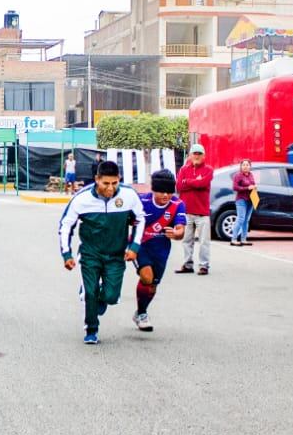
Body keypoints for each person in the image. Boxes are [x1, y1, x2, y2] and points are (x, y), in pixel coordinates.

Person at [58, 160, 145, 344]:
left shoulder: (129, 196)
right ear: (97, 179)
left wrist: (134, 247)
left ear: (119, 179)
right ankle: (91, 329)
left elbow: (140, 219)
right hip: (90, 254)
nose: (111, 188)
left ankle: (102, 298)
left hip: (115, 255)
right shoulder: (81, 199)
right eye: (106, 183)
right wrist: (67, 254)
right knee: (90, 293)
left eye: (114, 183)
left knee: (111, 297)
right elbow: (66, 225)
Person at [132, 169, 185, 332]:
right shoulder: (141, 201)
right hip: (141, 246)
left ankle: (141, 312)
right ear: (153, 189)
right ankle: (142, 315)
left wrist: (176, 234)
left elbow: (180, 230)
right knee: (147, 277)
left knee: (152, 286)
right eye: (161, 191)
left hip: (161, 250)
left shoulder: (177, 204)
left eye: (169, 192)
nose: (166, 195)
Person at [175, 143, 214, 275]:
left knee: (204, 242)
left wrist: (188, 181)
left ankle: (204, 266)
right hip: (186, 211)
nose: (196, 156)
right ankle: (187, 265)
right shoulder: (183, 169)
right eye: (194, 153)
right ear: (190, 155)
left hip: (202, 212)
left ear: (204, 156)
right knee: (186, 240)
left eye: (199, 154)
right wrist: (194, 182)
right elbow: (179, 186)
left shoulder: (209, 169)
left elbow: (203, 183)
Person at [230, 159, 256, 246]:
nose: (245, 166)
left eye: (247, 165)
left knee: (246, 220)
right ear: (241, 166)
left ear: (250, 166)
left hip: (251, 200)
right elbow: (235, 187)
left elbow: (252, 184)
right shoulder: (238, 176)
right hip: (241, 199)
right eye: (244, 165)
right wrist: (247, 188)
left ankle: (243, 239)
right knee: (240, 219)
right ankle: (233, 239)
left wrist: (254, 187)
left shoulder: (251, 175)